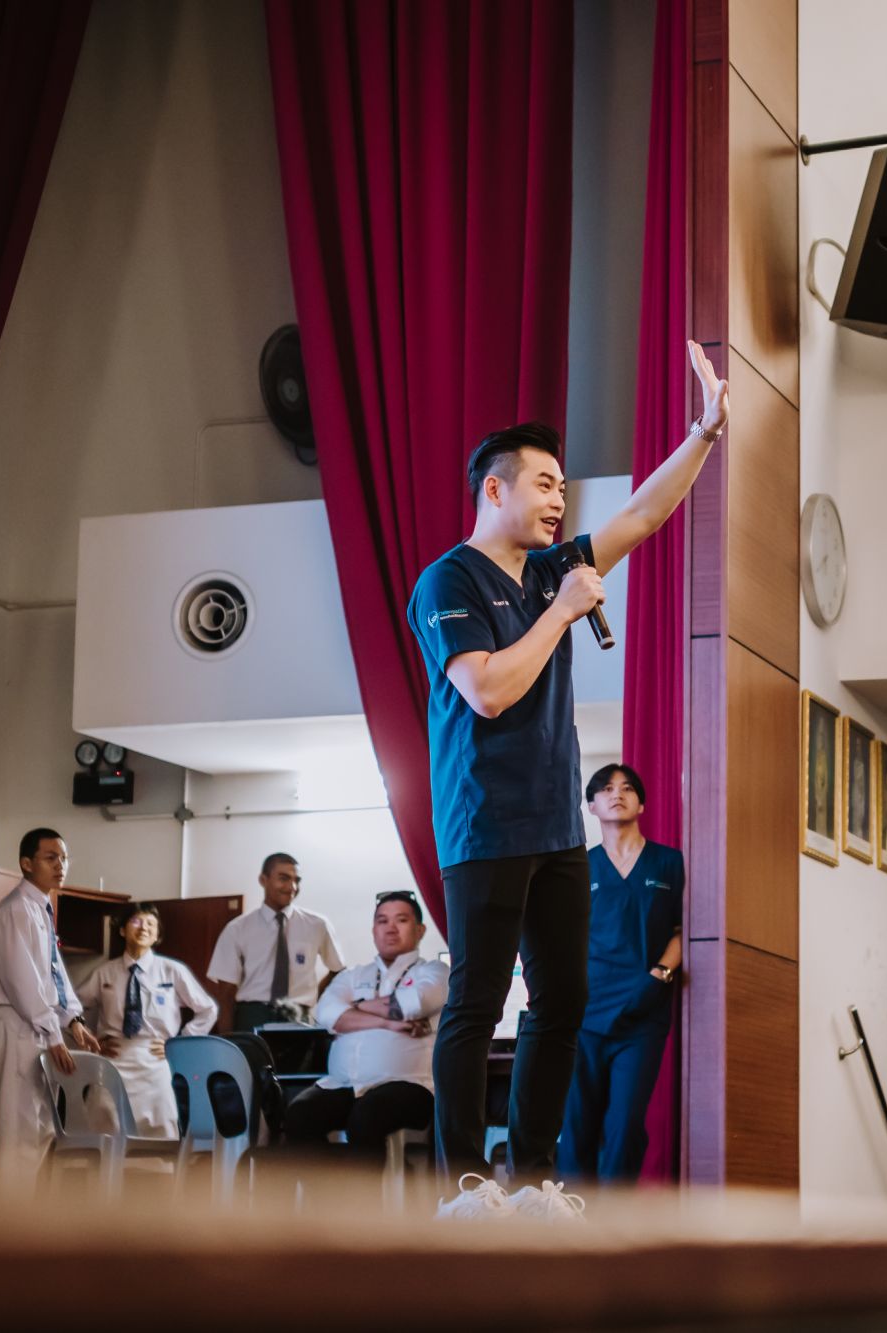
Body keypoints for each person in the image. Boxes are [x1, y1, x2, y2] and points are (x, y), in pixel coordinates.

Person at [407, 339, 727, 1221]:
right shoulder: (449, 579)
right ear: (495, 490)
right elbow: (487, 689)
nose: (559, 501)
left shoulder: (554, 569)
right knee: (477, 999)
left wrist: (703, 433)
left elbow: (643, 516)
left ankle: (533, 1175)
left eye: (562, 487)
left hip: (555, 825)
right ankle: (463, 1183)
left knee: (563, 1001)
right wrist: (560, 611)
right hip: (483, 822)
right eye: (544, 483)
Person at [559, 764, 682, 1185]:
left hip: (644, 1010)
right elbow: (559, 939)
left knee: (625, 1125)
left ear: (641, 804)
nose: (617, 794)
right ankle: (571, 1213)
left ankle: (616, 1219)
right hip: (585, 1011)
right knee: (577, 1123)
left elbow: (686, 929)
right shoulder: (579, 867)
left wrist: (660, 974)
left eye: (627, 788)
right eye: (606, 789)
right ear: (592, 806)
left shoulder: (669, 862)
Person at [281, 891, 448, 1163]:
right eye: (382, 921)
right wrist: (387, 1021)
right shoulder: (352, 975)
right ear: (373, 930)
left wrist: (353, 1008)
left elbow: (412, 1004)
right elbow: (326, 1013)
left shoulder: (435, 971)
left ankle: (364, 1191)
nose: (390, 928)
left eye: (401, 920)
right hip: (344, 1084)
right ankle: (327, 1189)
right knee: (299, 1114)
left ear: (420, 930)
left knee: (367, 1115)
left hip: (410, 1085)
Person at [0, 828, 103, 1192]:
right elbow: (23, 981)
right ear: (26, 863)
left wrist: (73, 1020)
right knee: (18, 1134)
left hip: (37, 1024)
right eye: (51, 858)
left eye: (64, 858)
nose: (60, 865)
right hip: (17, 1023)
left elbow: (53, 973)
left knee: (41, 1129)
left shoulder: (40, 909)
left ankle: (18, 1214)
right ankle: (6, 1220)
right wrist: (53, 1034)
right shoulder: (15, 909)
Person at [73, 903, 217, 1136]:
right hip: (114, 1057)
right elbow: (72, 1009)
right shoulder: (104, 972)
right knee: (104, 1124)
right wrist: (92, 1041)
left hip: (156, 1060)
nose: (143, 928)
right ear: (122, 930)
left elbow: (208, 1009)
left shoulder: (172, 970)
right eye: (136, 922)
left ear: (157, 934)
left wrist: (180, 1043)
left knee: (161, 1127)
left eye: (151, 924)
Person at [207, 852, 346, 1030]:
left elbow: (338, 970)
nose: (292, 887)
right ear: (263, 880)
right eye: (283, 878)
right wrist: (227, 1041)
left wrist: (312, 998)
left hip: (298, 1016)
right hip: (252, 1016)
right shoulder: (237, 929)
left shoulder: (317, 925)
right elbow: (226, 993)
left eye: (297, 880)